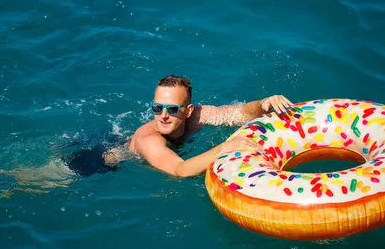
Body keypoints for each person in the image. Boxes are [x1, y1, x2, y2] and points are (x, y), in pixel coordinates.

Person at [124, 74, 293, 178]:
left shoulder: (198, 115)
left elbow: (238, 114)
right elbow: (179, 170)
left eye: (173, 109)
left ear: (188, 111)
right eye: (157, 108)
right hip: (113, 162)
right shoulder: (149, 140)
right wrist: (224, 148)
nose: (164, 115)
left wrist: (263, 103)